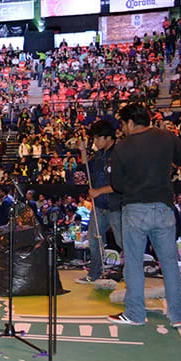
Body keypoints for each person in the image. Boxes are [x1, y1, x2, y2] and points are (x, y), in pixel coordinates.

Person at [110, 104, 181, 328]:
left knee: (134, 263)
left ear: (129, 122)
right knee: (169, 263)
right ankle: (179, 315)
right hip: (164, 207)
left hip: (135, 208)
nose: (122, 129)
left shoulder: (122, 147)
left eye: (123, 124)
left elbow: (116, 184)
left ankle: (136, 314)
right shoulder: (167, 137)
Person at [76, 120, 122, 284]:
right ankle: (95, 273)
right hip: (100, 205)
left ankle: (131, 273)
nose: (95, 142)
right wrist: (82, 150)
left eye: (97, 138)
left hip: (116, 206)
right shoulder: (100, 154)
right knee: (94, 239)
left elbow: (121, 184)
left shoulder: (119, 154)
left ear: (109, 137)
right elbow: (87, 166)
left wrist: (98, 191)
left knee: (123, 241)